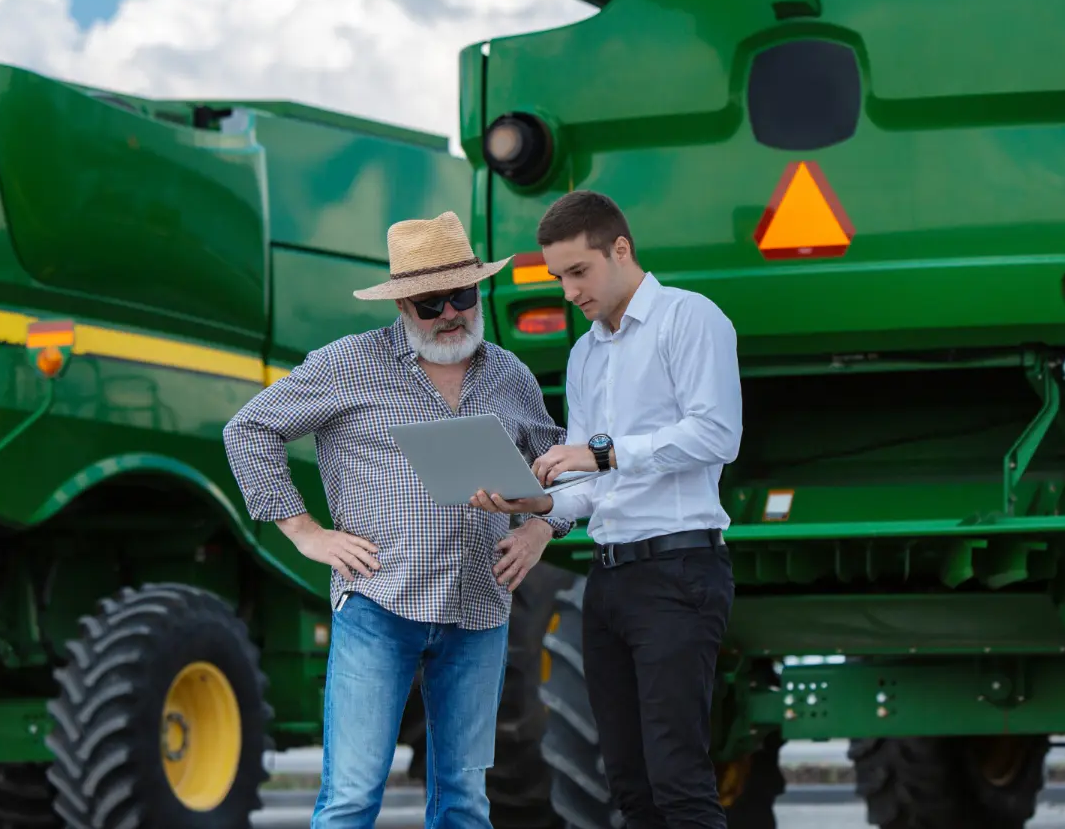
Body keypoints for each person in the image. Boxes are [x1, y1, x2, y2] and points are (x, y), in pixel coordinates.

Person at [222, 210, 573, 829]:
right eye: (430, 303)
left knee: (465, 805)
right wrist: (305, 532)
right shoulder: (347, 366)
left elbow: (558, 466)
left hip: (480, 611)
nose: (449, 314)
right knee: (352, 799)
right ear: (403, 305)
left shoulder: (511, 375)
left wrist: (542, 529)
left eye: (461, 296)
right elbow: (248, 429)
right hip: (379, 605)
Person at [471, 190, 743, 829]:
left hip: (679, 573)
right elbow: (590, 485)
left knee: (679, 779)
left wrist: (601, 453)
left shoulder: (691, 319)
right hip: (610, 580)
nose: (568, 292)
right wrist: (539, 511)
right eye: (557, 277)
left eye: (578, 272)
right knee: (628, 784)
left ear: (620, 249)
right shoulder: (587, 352)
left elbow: (716, 434)